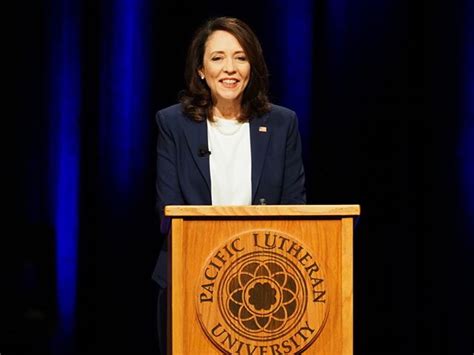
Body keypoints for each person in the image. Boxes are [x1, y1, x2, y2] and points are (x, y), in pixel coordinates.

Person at [152, 16, 306, 354]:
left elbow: (297, 212)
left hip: (266, 283)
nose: (230, 68)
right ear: (201, 70)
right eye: (217, 57)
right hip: (190, 280)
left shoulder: (281, 124)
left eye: (240, 57)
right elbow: (168, 210)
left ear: (252, 65)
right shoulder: (173, 124)